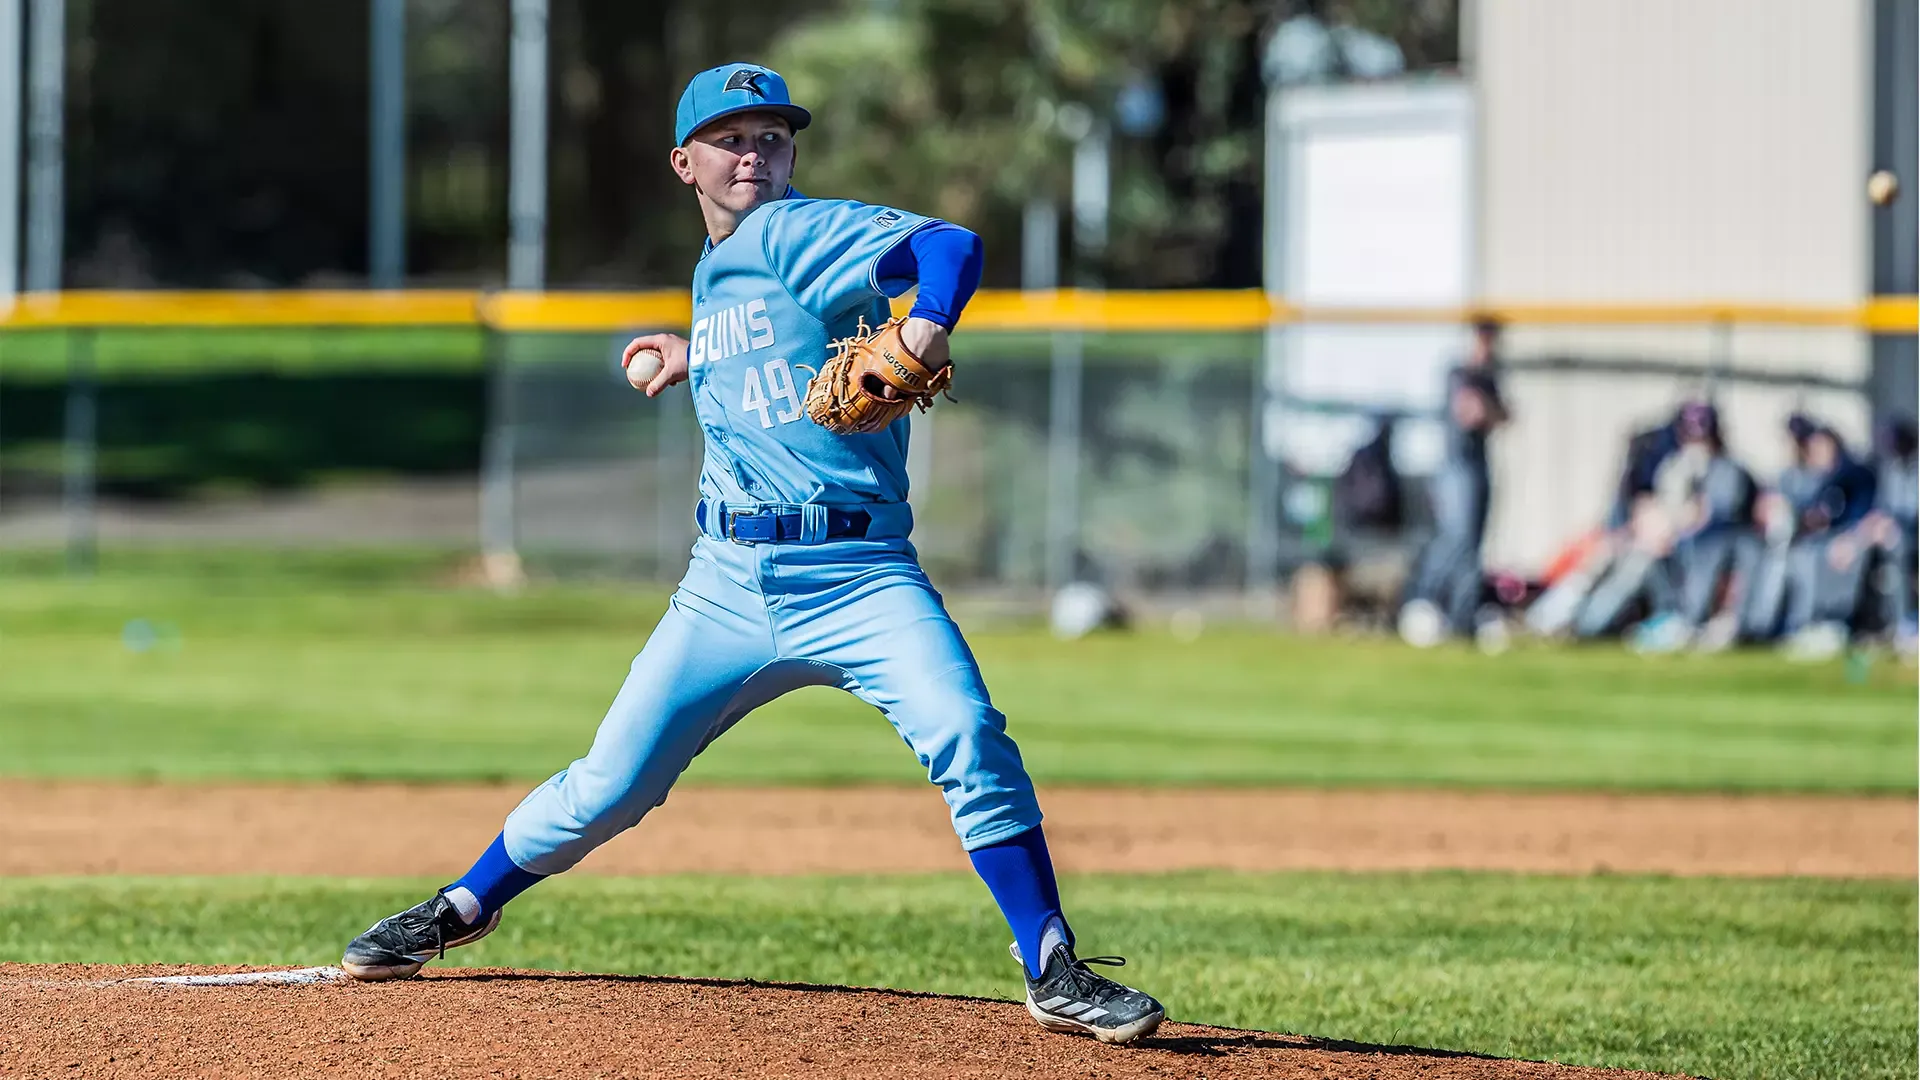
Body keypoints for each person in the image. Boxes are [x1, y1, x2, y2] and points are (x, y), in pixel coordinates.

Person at [337, 63, 1165, 1044]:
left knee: (969, 735)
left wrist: (928, 325)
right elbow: (769, 342)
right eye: (731, 138)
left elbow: (949, 246)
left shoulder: (795, 228)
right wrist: (696, 353)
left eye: (770, 136)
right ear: (685, 163)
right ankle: (459, 909)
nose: (754, 152)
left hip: (859, 577)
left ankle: (1052, 965)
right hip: (726, 587)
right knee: (609, 786)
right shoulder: (717, 269)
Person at [1399, 318, 1508, 646]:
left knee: (1473, 546)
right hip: (1456, 466)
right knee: (1456, 538)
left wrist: (1488, 408)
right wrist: (1487, 409)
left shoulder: (1490, 376)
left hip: (1479, 464)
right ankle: (1421, 598)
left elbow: (1501, 416)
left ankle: (1464, 616)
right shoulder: (1460, 372)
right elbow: (1470, 413)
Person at [1628, 402, 1759, 652]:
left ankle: (1692, 620)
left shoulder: (1730, 470)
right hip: (1676, 544)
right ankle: (1671, 617)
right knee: (1640, 555)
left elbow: (1719, 514)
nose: (1696, 442)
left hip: (1718, 543)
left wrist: (1679, 525)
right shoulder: (1673, 467)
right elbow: (1661, 505)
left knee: (1707, 550)